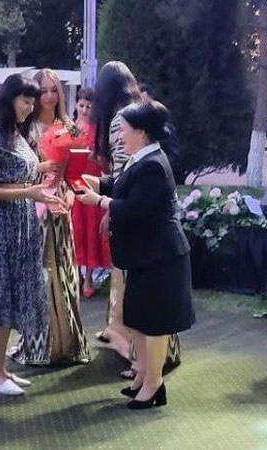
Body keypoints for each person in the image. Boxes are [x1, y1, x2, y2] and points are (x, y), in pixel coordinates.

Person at [77, 101, 194, 409]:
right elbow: (123, 186)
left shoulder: (154, 163)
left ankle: (154, 384)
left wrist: (99, 201)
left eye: (124, 130)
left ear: (141, 132)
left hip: (160, 256)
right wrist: (97, 182)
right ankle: (143, 375)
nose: (119, 136)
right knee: (139, 320)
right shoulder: (141, 158)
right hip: (144, 256)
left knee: (153, 323)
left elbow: (135, 209)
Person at [0, 74, 64, 395]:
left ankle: (0, 369)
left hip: (22, 225)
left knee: (11, 295)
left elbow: (18, 172)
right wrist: (29, 191)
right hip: (0, 227)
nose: (31, 106)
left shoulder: (17, 133)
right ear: (10, 99)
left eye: (33, 101)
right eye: (26, 100)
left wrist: (43, 169)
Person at [92, 62, 182, 379]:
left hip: (135, 219)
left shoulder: (123, 120)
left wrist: (109, 208)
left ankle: (141, 363)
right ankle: (157, 359)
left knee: (136, 297)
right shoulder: (143, 110)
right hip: (155, 218)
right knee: (155, 299)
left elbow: (123, 172)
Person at [7, 68, 90, 366]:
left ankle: (67, 342)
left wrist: (69, 197)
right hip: (33, 208)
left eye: (54, 90)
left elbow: (77, 176)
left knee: (64, 273)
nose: (49, 96)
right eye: (43, 91)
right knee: (37, 275)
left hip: (61, 209)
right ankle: (38, 344)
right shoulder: (23, 130)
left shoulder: (70, 128)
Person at [70, 87, 111, 298]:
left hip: (92, 185)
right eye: (81, 105)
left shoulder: (100, 131)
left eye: (89, 106)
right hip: (72, 184)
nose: (85, 110)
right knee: (75, 230)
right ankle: (75, 273)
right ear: (76, 106)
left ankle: (89, 277)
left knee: (91, 230)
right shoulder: (69, 127)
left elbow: (107, 164)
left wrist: (96, 157)